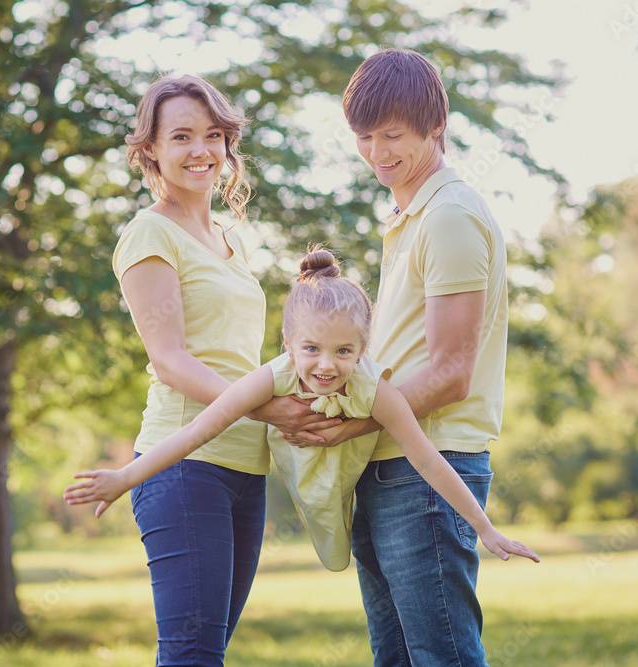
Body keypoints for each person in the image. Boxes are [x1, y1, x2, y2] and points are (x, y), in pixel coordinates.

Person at [65, 249, 539, 577]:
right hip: (301, 467)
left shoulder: (378, 390)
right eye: (311, 348)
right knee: (329, 544)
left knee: (343, 546)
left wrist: (484, 528)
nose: (326, 365)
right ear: (288, 344)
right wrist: (125, 477)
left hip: (349, 468)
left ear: (363, 350)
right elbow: (197, 430)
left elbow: (429, 460)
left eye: (343, 351)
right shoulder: (272, 377)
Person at [276, 48, 520, 666]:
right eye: (364, 137)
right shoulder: (409, 217)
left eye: (393, 136)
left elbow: (450, 373)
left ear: (436, 127)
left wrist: (350, 424)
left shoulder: (449, 219)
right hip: (387, 463)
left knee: (443, 659)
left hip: (428, 469)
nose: (378, 153)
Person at [98, 73, 311, 667]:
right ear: (151, 151)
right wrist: (264, 405)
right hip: (185, 465)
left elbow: (242, 356)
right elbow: (170, 359)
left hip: (247, 465)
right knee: (191, 655)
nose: (201, 151)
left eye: (213, 135)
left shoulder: (231, 240)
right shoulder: (148, 234)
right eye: (182, 136)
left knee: (207, 652)